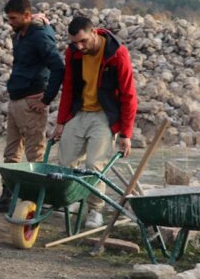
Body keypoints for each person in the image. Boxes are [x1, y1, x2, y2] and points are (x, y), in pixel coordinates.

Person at [0, 0, 65, 213]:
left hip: (31, 101)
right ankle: (8, 196)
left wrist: (46, 98)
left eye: (14, 18)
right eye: (9, 18)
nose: (11, 23)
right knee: (11, 153)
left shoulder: (39, 37)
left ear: (27, 15)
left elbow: (58, 67)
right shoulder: (21, 35)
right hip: (16, 100)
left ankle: (37, 201)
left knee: (34, 153)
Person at [51, 16, 138, 228]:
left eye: (83, 41)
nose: (79, 47)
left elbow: (128, 96)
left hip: (105, 114)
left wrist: (126, 134)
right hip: (80, 111)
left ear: (94, 33)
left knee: (94, 166)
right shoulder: (73, 53)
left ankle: (95, 210)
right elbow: (69, 86)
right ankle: (70, 200)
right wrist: (62, 121)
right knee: (66, 160)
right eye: (75, 42)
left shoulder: (117, 54)